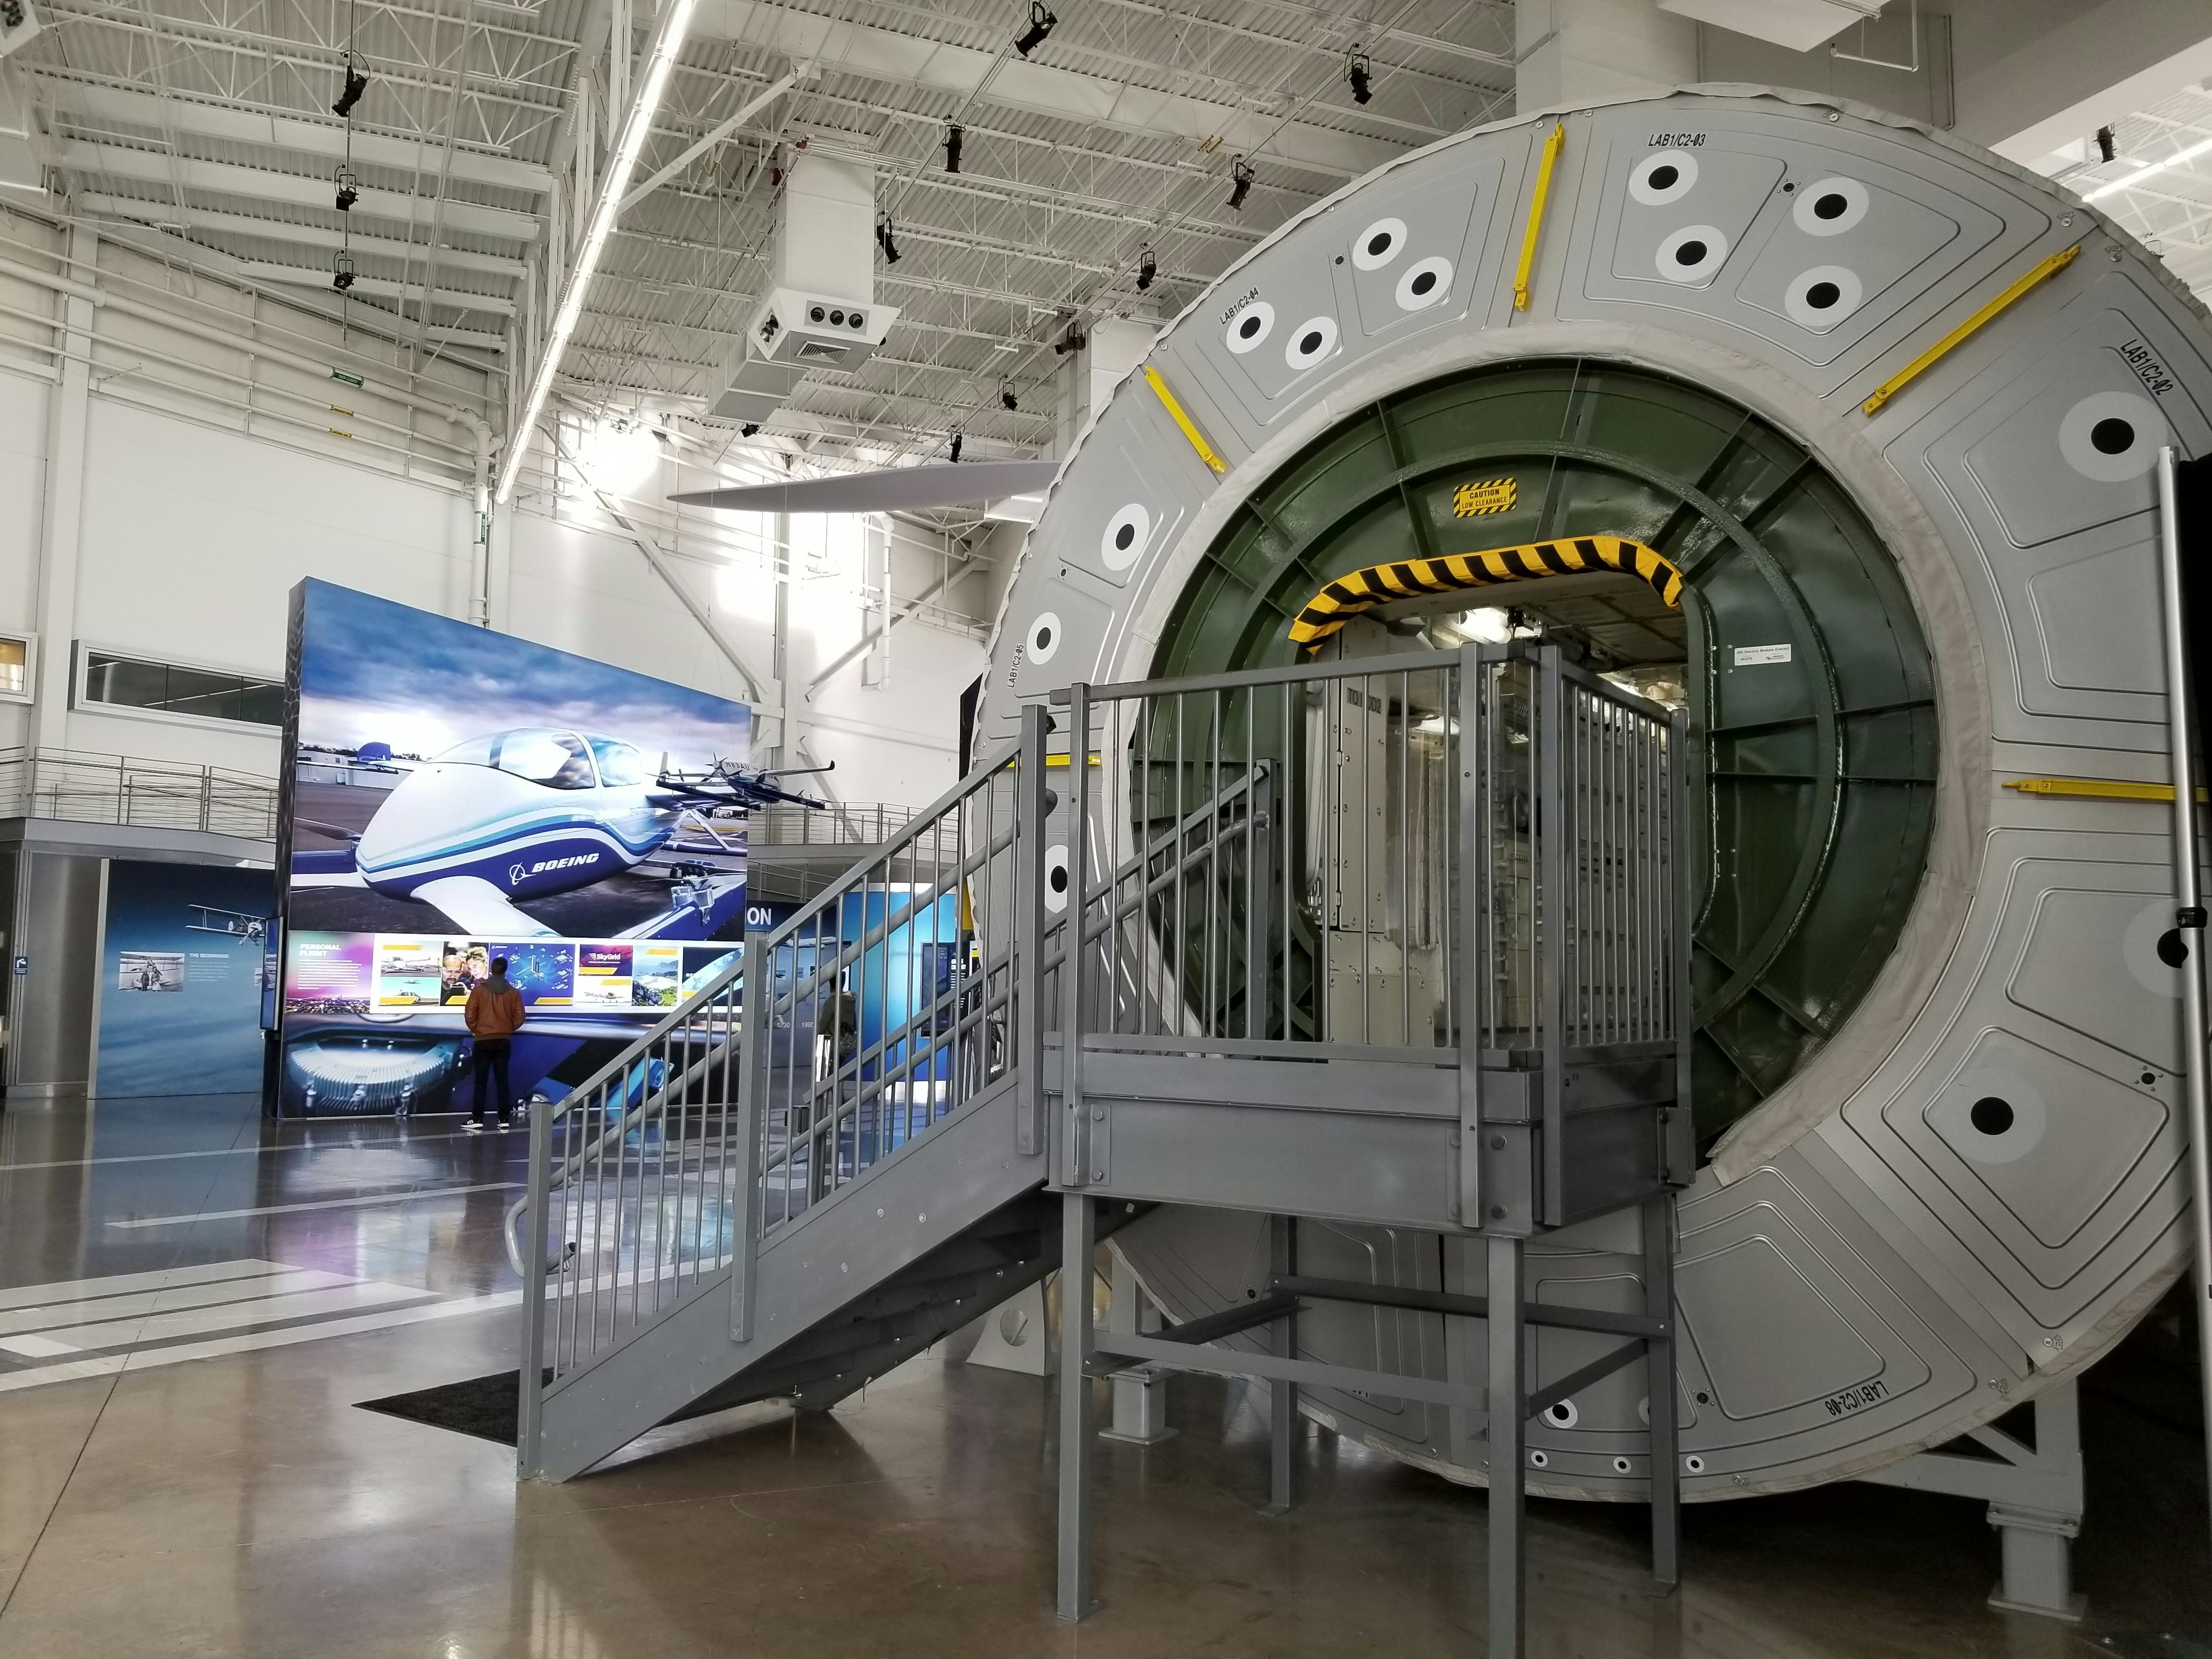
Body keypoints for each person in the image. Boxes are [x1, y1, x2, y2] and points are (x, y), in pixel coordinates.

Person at [463, 955, 526, 1130]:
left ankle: (477, 1119)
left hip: (482, 1040)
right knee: (502, 1081)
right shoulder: (514, 993)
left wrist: (478, 1029)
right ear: (506, 971)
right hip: (503, 1041)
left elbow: (470, 1015)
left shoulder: (479, 991)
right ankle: (504, 1120)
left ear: (491, 969)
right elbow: (520, 1017)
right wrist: (507, 1028)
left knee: (481, 1081)